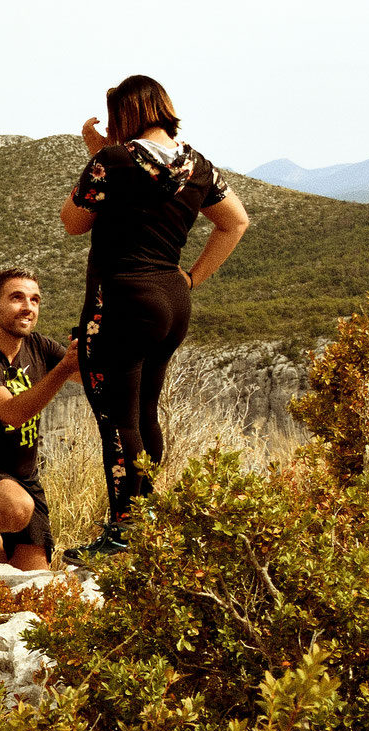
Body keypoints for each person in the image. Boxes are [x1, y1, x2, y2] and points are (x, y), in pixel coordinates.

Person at [59, 75, 250, 562]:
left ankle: (124, 535)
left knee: (115, 418)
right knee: (145, 412)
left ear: (124, 114)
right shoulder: (199, 166)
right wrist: (191, 278)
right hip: (172, 298)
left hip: (120, 299)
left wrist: (96, 155)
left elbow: (73, 222)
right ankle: (151, 527)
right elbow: (236, 221)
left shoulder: (112, 162)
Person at [0, 267, 84, 571]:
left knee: (34, 583)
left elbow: (89, 378)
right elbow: (15, 413)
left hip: (26, 479)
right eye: (17, 298)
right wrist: (62, 369)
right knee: (17, 510)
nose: (28, 307)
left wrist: (96, 352)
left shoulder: (40, 347)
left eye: (35, 300)